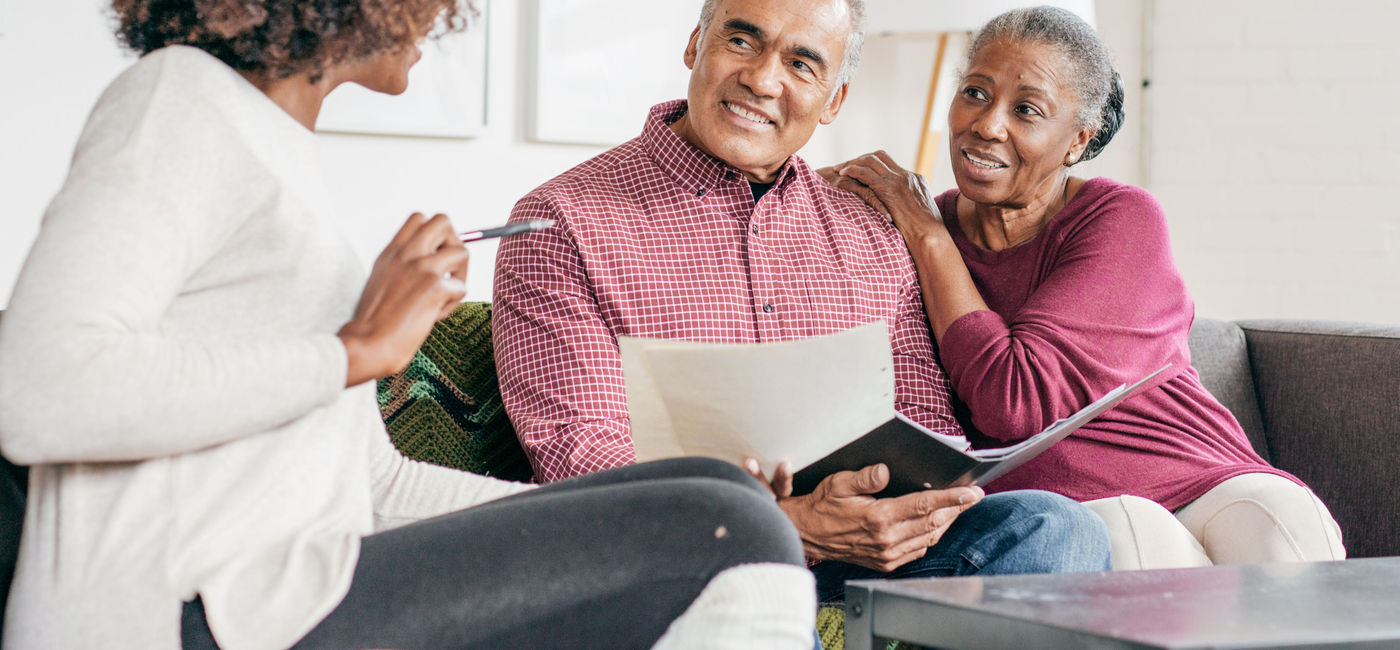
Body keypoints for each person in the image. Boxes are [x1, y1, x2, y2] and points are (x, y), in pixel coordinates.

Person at [0, 1, 821, 648]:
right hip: (178, 614)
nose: (445, 9)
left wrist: (595, 524)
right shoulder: (178, 97)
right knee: (735, 529)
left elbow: (374, 485)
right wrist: (353, 351)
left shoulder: (277, 149)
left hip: (278, 595)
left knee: (715, 492)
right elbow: (36, 389)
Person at [492, 0, 1112, 606]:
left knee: (1055, 527)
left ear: (833, 101)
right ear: (694, 45)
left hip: (866, 546)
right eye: (742, 41)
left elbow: (929, 424)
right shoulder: (560, 221)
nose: (762, 79)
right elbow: (583, 457)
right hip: (687, 552)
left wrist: (907, 512)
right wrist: (784, 523)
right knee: (757, 594)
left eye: (802, 64)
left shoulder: (869, 228)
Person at [822, 6, 1345, 570]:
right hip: (1061, 514)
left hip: (1195, 473)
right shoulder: (913, 229)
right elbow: (1007, 412)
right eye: (975, 93)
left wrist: (928, 236)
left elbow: (1013, 392)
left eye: (1026, 110)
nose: (988, 124)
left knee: (1281, 525)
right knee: (1132, 534)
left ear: (1077, 141)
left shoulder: (1121, 219)